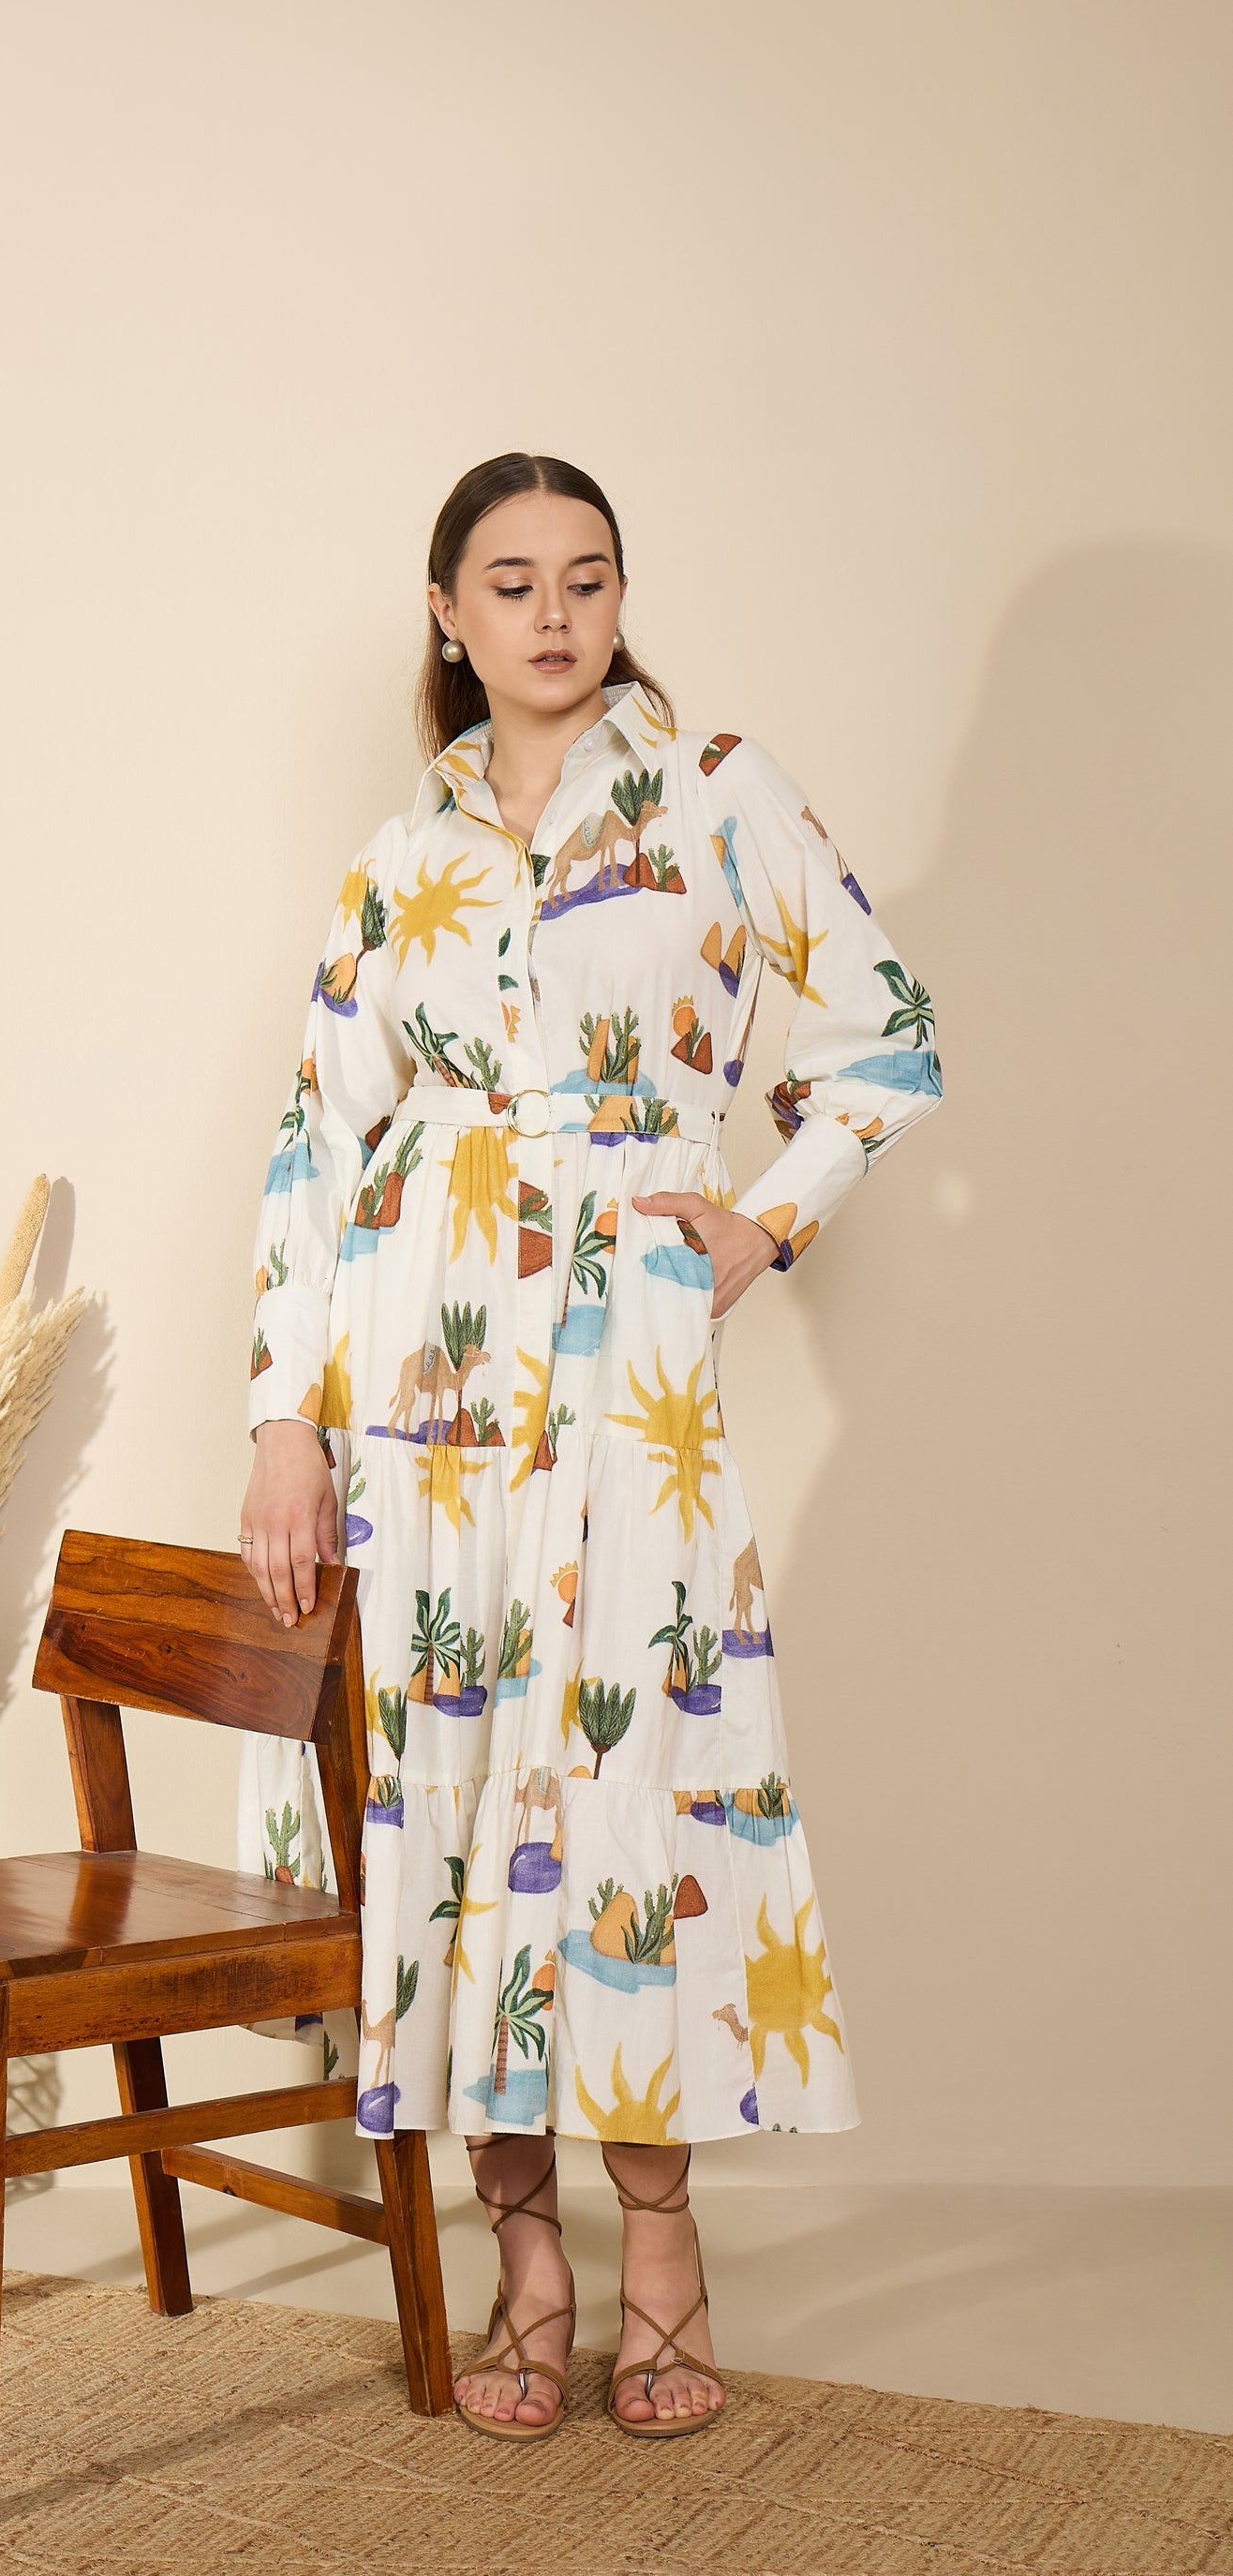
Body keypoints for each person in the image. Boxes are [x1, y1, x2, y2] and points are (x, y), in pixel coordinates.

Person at [236, 449, 943, 2441]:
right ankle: (525, 2261)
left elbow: (886, 1030)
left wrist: (769, 1215)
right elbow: (316, 1148)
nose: (553, 613)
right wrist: (285, 1418)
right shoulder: (401, 852)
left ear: (620, 599)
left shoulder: (717, 789)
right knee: (455, 1793)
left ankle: (664, 2253)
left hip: (622, 1360)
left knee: (627, 1782)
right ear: (446, 613)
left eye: (587, 575)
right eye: (510, 580)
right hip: (414, 1377)